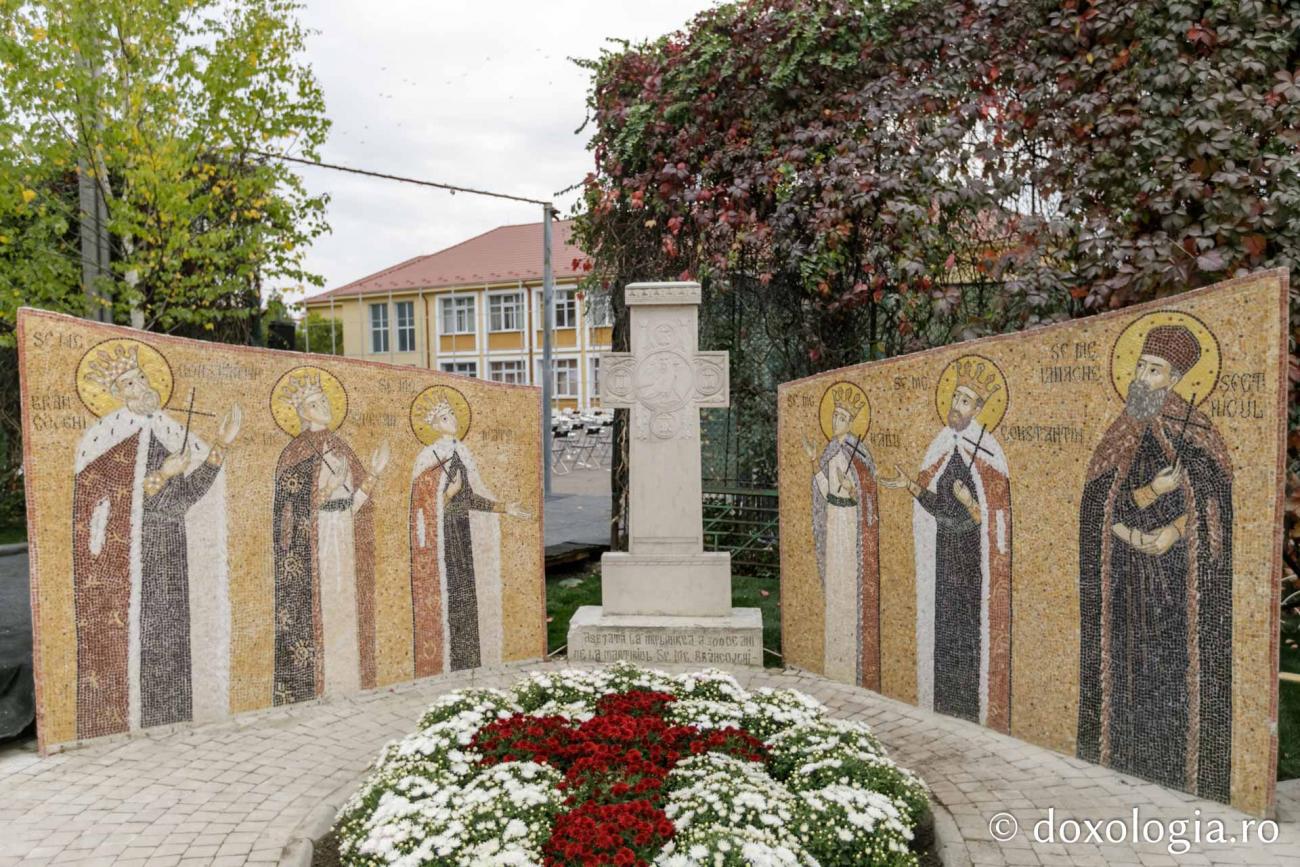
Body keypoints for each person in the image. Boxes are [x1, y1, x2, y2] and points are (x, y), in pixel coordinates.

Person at [1077, 323, 1233, 802]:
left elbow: (1215, 503)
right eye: (1141, 366)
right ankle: (1124, 752)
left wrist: (1173, 531)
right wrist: (1147, 501)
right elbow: (1098, 503)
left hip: (1177, 577)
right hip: (1125, 577)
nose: (1142, 376)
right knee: (1126, 664)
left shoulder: (1198, 432)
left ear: (1176, 377)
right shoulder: (1121, 431)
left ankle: (1174, 754)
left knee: (1172, 664)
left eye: (1155, 369)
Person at [73, 343, 240, 736]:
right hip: (129, 555)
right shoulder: (105, 437)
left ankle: (169, 711)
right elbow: (99, 498)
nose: (141, 387)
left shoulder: (169, 432)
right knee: (140, 633)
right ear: (118, 393)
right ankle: (132, 713)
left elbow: (184, 498)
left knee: (171, 629)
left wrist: (220, 446)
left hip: (170, 546)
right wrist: (162, 475)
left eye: (143, 378)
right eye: (130, 382)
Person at [880, 359, 1012, 730]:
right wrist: (911, 485)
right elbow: (935, 505)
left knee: (967, 627)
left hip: (973, 561)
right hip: (943, 554)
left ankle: (970, 703)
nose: (957, 405)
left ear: (979, 410)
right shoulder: (940, 447)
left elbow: (993, 520)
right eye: (956, 396)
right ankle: (943, 698)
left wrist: (970, 502)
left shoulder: (989, 454)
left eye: (966, 401)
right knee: (944, 626)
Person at [271, 371, 389, 704]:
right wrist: (327, 488)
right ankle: (317, 683)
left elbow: (353, 506)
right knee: (320, 607)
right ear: (303, 412)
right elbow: (286, 515)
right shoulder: (293, 453)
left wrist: (374, 475)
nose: (323, 405)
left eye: (323, 399)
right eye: (314, 403)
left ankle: (345, 676)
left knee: (345, 605)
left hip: (343, 537)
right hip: (315, 544)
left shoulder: (341, 447)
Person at [410, 395, 530, 675]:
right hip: (441, 539)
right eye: (443, 417)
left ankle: (468, 658)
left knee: (466, 596)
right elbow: (418, 506)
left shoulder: (462, 453)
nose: (451, 419)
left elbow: (471, 497)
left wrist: (503, 507)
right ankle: (449, 660)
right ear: (434, 426)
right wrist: (447, 495)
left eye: (451, 413)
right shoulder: (427, 457)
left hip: (463, 534)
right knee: (450, 595)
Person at [803, 384, 881, 688]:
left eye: (841, 417)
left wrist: (855, 491)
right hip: (834, 521)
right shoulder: (830, 451)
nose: (835, 422)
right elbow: (824, 491)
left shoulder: (857, 454)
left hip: (850, 525)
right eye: (833, 416)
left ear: (851, 423)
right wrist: (813, 461)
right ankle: (835, 657)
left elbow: (869, 492)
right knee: (836, 588)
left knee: (849, 587)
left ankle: (850, 660)